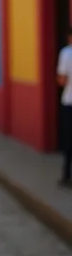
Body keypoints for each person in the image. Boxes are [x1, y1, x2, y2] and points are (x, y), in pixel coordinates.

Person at [57, 26, 72, 187]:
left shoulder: (67, 53)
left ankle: (67, 175)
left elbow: (62, 80)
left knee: (68, 141)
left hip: (69, 101)